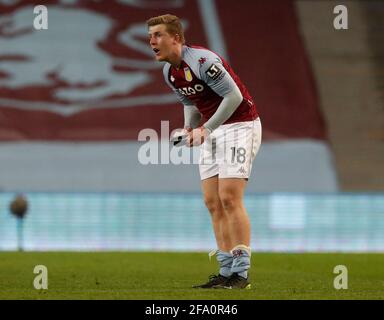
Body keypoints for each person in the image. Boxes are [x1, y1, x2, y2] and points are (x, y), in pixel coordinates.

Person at [147, 14, 261, 289]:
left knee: (229, 197)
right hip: (213, 129)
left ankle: (241, 273)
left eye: (158, 35)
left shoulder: (202, 61)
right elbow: (191, 100)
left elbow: (233, 97)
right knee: (212, 201)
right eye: (150, 36)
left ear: (176, 38)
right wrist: (188, 128)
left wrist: (206, 129)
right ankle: (225, 270)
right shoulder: (169, 72)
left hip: (240, 125)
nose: (152, 41)